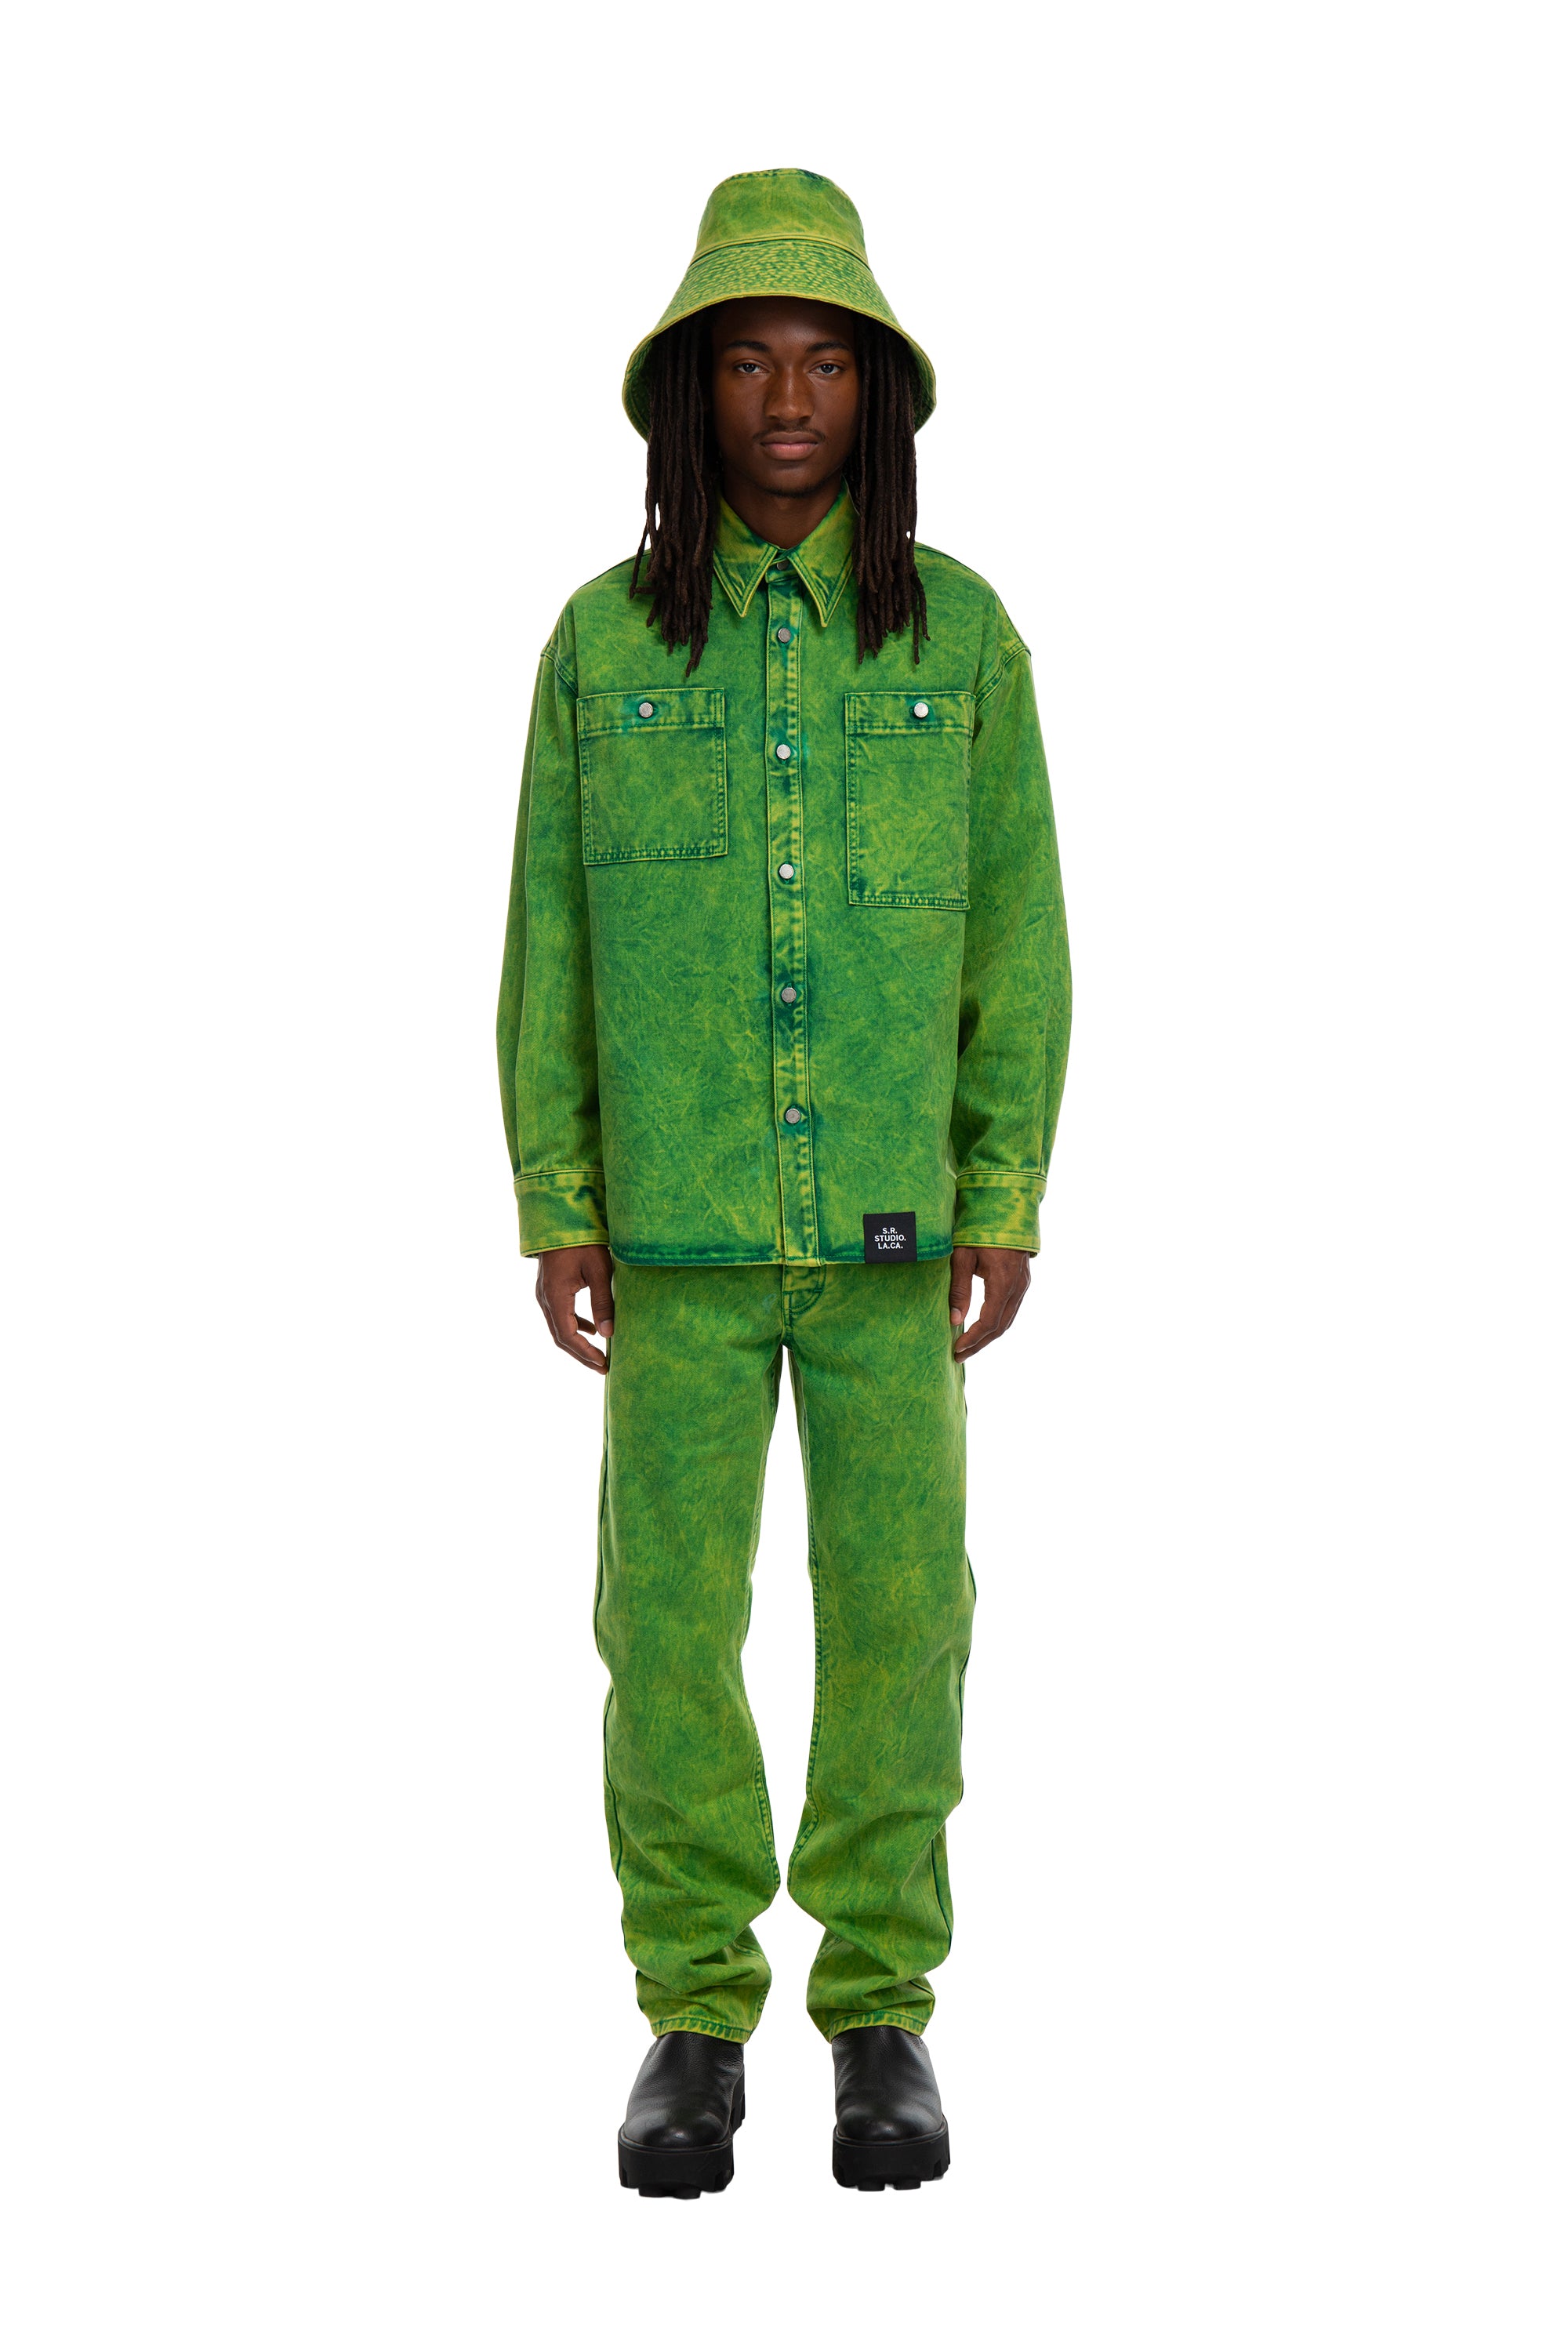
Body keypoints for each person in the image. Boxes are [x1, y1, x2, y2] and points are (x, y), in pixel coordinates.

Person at [497, 169, 1070, 2196]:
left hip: (893, 1235)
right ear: (692, 393)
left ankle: (882, 2009)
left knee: (905, 1615)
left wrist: (1001, 1188)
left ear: (878, 390)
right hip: (677, 1231)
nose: (791, 399)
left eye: (826, 360)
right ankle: (690, 2012)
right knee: (665, 1628)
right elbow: (550, 937)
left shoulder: (961, 642)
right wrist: (559, 1194)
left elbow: (1018, 932)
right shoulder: (603, 648)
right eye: (748, 362)